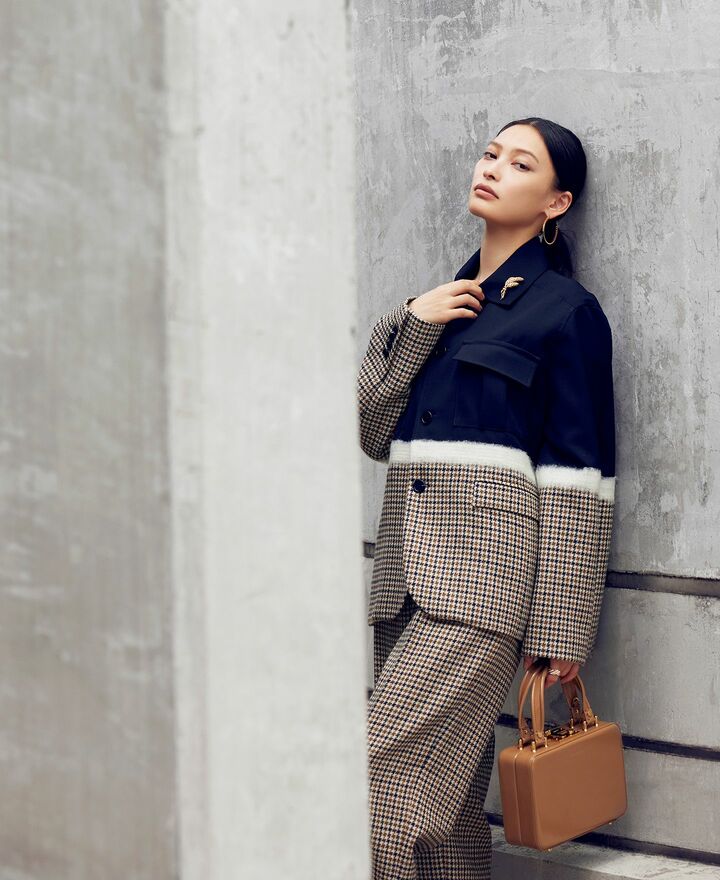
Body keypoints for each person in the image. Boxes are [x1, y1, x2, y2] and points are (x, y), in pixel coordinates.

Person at [357, 117, 617, 879]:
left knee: (375, 785)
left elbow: (579, 477)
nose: (495, 167)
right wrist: (409, 325)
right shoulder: (438, 308)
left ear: (556, 203)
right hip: (403, 584)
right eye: (491, 153)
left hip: (480, 589)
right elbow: (371, 432)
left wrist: (562, 624)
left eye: (521, 163)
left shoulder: (565, 312)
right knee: (442, 812)